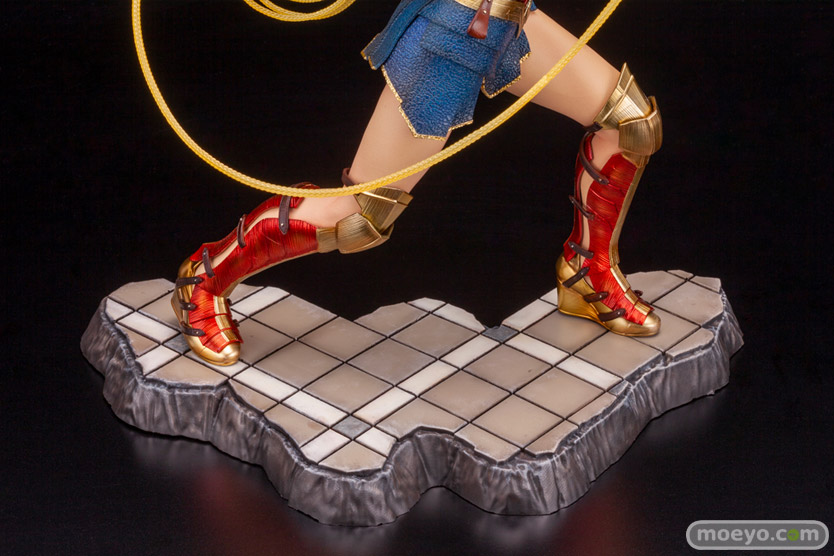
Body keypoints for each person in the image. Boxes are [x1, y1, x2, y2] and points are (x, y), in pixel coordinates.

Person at [172, 0, 663, 366]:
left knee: (631, 124)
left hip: (507, 20)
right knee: (358, 218)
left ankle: (586, 270)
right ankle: (205, 278)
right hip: (452, 34)